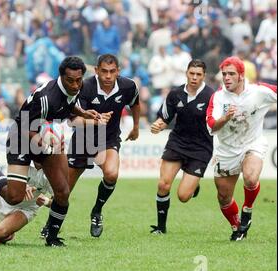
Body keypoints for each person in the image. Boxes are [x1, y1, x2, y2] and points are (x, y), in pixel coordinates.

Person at [0, 56, 110, 247]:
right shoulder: (46, 98)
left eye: (78, 80)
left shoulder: (73, 89)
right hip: (21, 138)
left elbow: (67, 104)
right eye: (70, 80)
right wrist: (44, 143)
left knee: (63, 191)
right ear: (61, 77)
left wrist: (83, 113)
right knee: (14, 196)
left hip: (44, 138)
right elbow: (24, 125)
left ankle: (52, 238)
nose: (75, 85)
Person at [41, 53, 140, 238]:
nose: (108, 76)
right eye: (104, 71)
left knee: (111, 174)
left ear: (118, 71)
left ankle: (96, 211)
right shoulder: (84, 86)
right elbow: (73, 121)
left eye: (112, 72)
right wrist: (96, 121)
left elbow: (135, 103)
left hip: (108, 139)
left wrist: (135, 127)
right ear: (96, 71)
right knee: (64, 190)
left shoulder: (128, 86)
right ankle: (50, 225)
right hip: (83, 140)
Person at [206, 56, 276, 241]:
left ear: (242, 76)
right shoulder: (218, 97)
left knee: (251, 178)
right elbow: (211, 126)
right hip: (227, 150)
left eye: (231, 74)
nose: (227, 78)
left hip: (252, 143)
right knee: (223, 196)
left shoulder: (259, 92)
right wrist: (225, 118)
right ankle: (238, 228)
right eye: (224, 74)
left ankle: (247, 209)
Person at [149, 59, 215, 234]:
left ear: (204, 76)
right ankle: (161, 228)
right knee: (163, 185)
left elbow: (218, 123)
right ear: (186, 73)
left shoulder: (212, 96)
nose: (194, 77)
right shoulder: (175, 94)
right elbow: (164, 118)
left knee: (183, 196)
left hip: (201, 147)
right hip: (177, 142)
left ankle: (193, 184)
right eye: (191, 73)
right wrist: (158, 125)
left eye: (198, 74)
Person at [0, 159, 53, 245]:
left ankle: (6, 233)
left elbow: (58, 203)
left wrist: (46, 201)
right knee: (4, 232)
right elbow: (8, 181)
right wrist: (22, 187)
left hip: (27, 208)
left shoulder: (52, 172)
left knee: (1, 233)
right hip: (6, 199)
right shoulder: (23, 162)